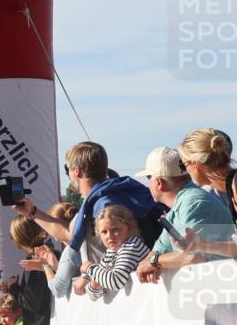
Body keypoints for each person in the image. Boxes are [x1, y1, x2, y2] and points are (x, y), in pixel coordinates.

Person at [12, 142, 160, 296]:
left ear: (77, 172)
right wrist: (32, 212)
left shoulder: (103, 205)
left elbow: (70, 236)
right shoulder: (112, 193)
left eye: (67, 169)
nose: (68, 175)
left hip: (130, 293)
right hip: (136, 288)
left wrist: (88, 270)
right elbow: (71, 233)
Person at [135, 147, 236, 283]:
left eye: (149, 177)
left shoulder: (192, 203)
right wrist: (153, 261)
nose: (148, 183)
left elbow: (193, 258)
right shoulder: (181, 204)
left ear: (159, 183)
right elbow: (158, 250)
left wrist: (155, 262)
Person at [80, 205, 149, 300]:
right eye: (104, 232)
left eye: (115, 229)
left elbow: (116, 281)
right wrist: (96, 278)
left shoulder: (132, 246)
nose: (109, 236)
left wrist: (89, 267)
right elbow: (93, 295)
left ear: (129, 228)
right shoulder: (110, 252)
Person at [178, 127, 236, 217]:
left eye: (184, 165)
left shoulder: (234, 187)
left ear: (195, 164)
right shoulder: (232, 186)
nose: (186, 171)